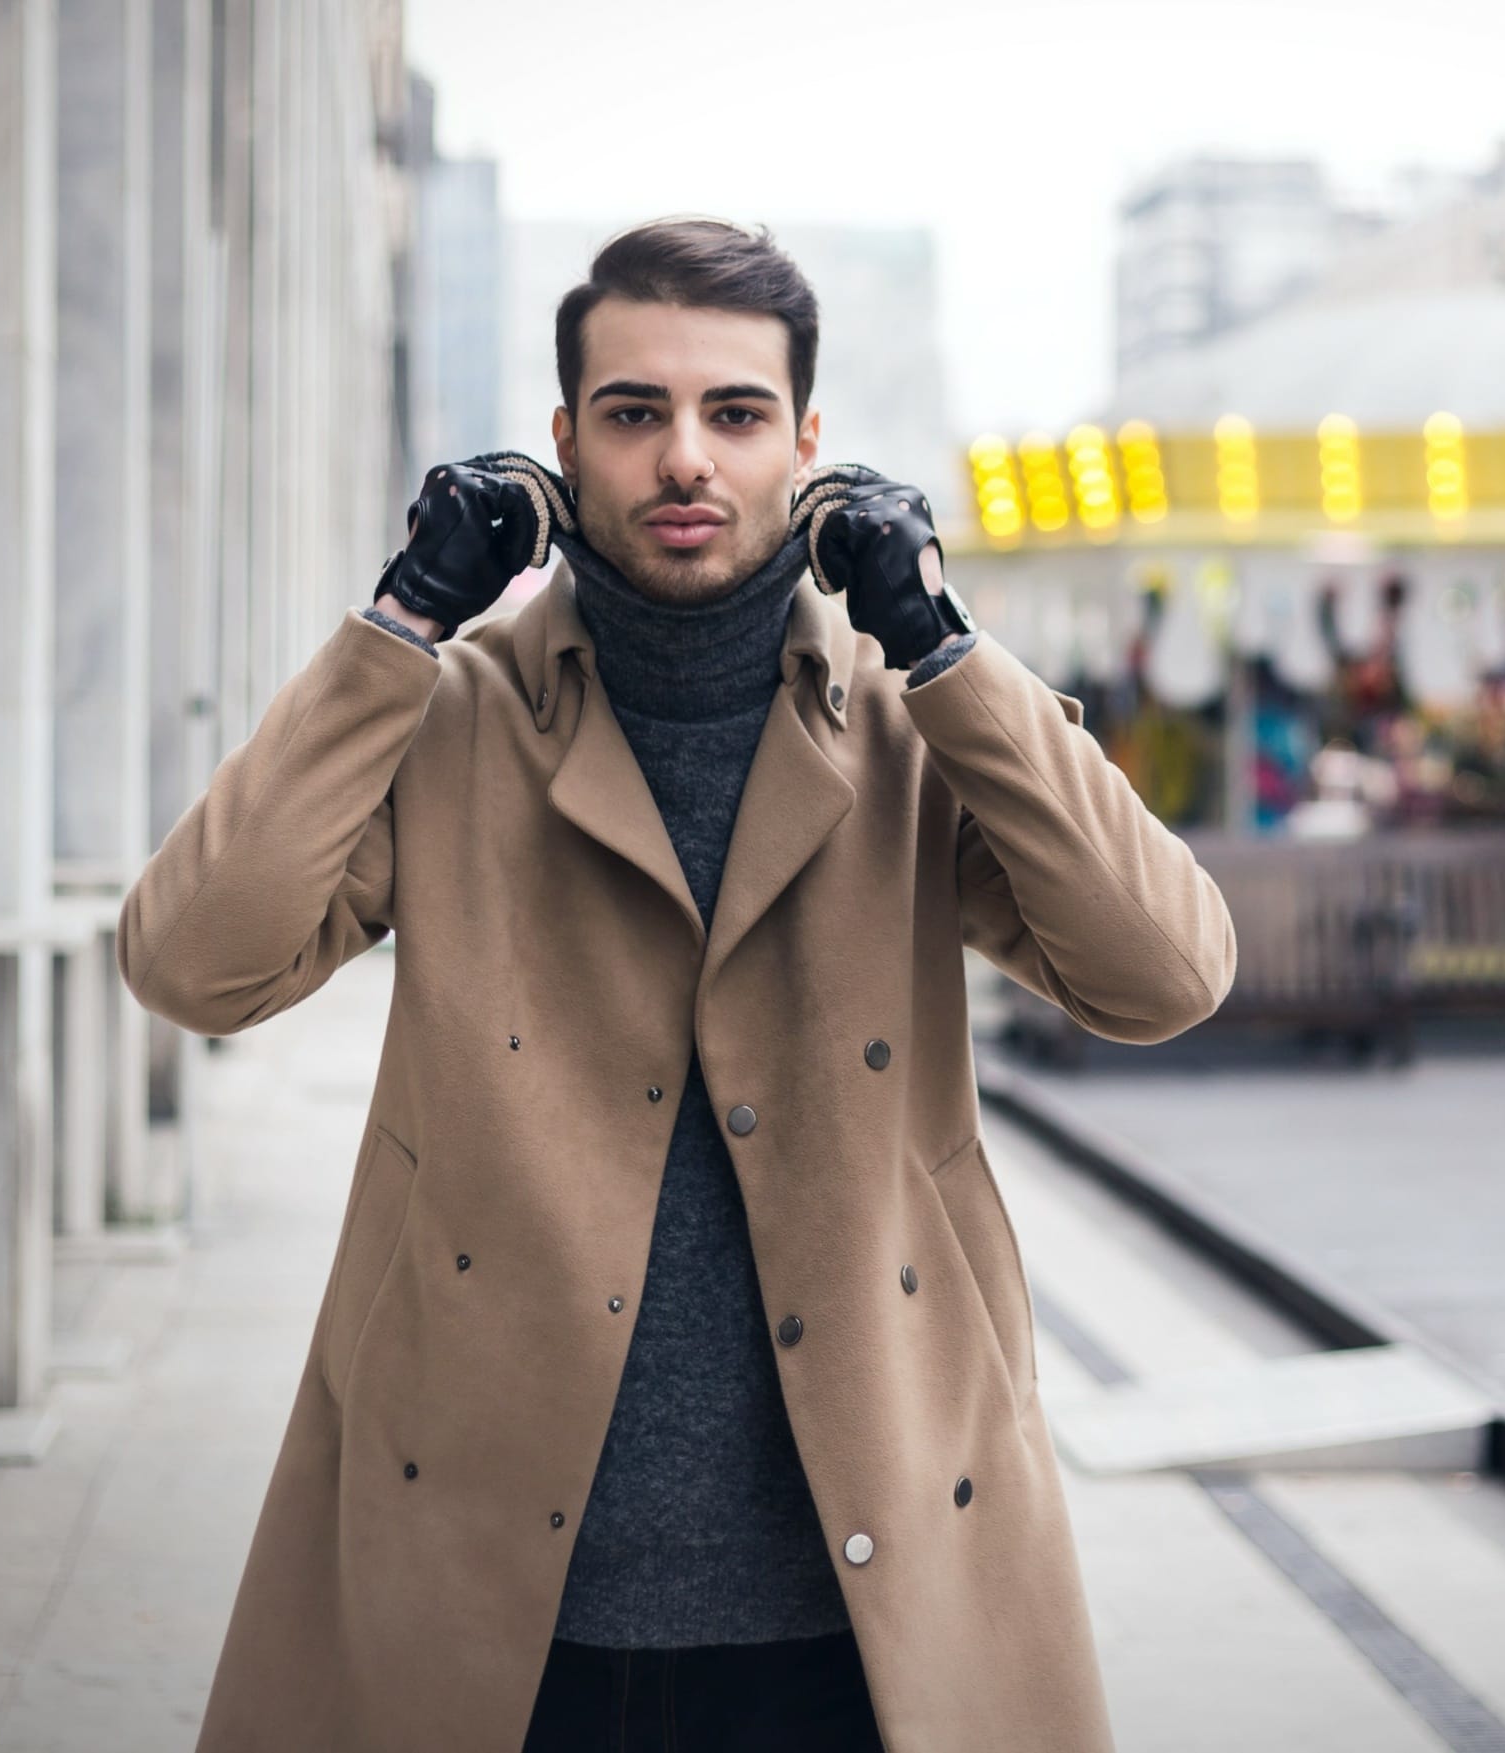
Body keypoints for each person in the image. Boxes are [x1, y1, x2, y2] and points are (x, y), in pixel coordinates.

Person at [119, 217, 1237, 1752]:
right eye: (635, 413)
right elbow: (193, 961)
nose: (686, 459)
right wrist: (400, 621)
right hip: (501, 1602)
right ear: (563, 445)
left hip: (855, 1604)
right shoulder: (448, 722)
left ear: (811, 448)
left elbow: (1168, 969)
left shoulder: (914, 728)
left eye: (735, 413)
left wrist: (937, 635)